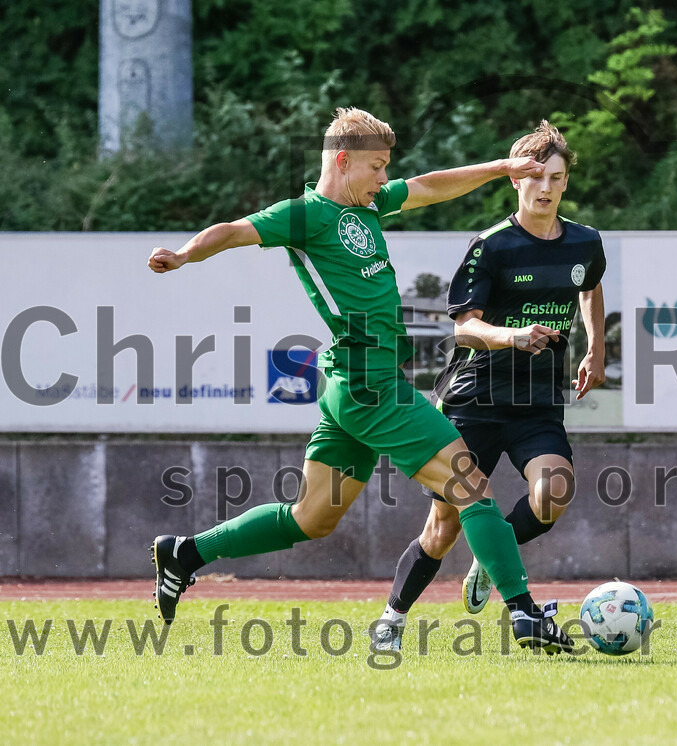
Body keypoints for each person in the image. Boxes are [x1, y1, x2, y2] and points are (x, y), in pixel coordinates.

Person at [148, 107, 573, 654]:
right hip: (370, 384)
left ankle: (185, 552)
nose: (383, 179)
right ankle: (524, 614)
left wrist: (498, 168)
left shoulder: (368, 207)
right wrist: (184, 255)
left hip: (352, 384)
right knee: (472, 486)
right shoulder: (304, 215)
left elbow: (426, 187)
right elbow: (233, 230)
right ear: (343, 162)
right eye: (376, 167)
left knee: (312, 517)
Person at [371, 121, 605, 651]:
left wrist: (596, 348)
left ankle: (490, 557)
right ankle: (392, 618)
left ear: (566, 183)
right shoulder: (492, 246)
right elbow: (463, 326)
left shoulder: (586, 241)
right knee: (443, 526)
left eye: (556, 177)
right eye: (534, 177)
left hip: (537, 402)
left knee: (556, 492)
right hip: (474, 399)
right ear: (515, 181)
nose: (545, 187)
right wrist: (512, 335)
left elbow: (590, 288)